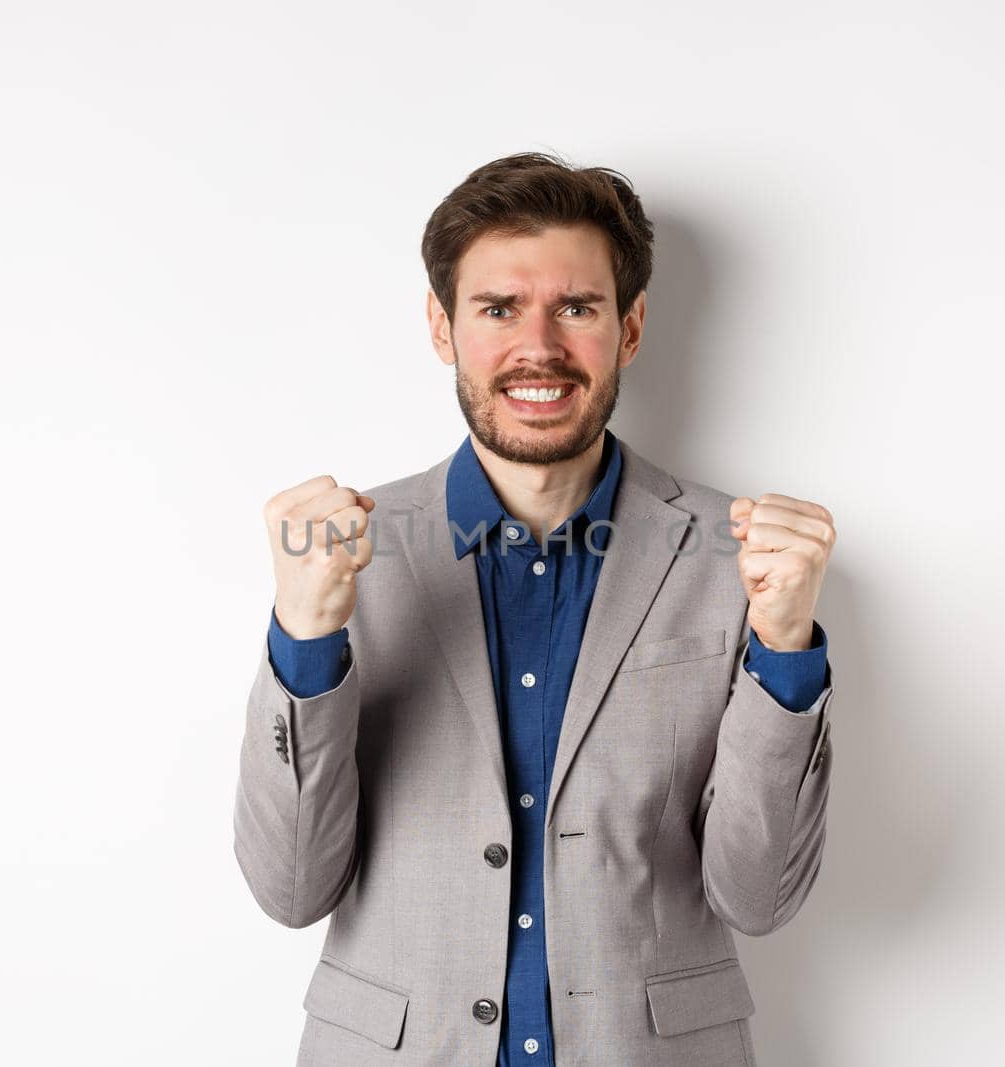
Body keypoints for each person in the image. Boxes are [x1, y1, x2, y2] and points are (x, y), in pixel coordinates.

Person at [233, 151, 836, 1066]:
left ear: (629, 328)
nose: (539, 347)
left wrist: (785, 647)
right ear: (442, 325)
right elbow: (288, 888)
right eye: (499, 307)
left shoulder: (739, 555)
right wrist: (305, 640)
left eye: (577, 308)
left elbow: (759, 898)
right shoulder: (341, 553)